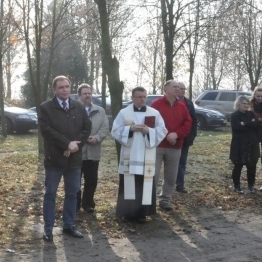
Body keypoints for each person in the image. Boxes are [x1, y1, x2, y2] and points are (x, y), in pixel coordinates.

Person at [37, 76, 91, 241]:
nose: (65, 90)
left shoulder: (78, 106)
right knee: (50, 194)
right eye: (61, 87)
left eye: (67, 86)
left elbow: (86, 128)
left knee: (72, 193)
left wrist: (74, 146)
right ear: (54, 89)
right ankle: (48, 229)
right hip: (54, 159)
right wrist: (66, 144)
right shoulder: (46, 108)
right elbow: (47, 131)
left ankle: (69, 225)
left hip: (74, 160)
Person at [112, 87, 167, 222]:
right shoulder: (124, 113)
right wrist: (130, 129)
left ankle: (142, 213)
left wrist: (149, 131)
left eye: (144, 96)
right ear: (132, 98)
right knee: (129, 183)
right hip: (129, 155)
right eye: (139, 97)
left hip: (146, 155)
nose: (142, 99)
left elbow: (162, 130)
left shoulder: (154, 113)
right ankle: (127, 213)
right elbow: (115, 130)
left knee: (144, 184)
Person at [150, 80, 193, 210]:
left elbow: (188, 123)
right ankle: (150, 200)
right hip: (158, 145)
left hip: (175, 146)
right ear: (166, 88)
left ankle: (165, 199)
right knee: (153, 174)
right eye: (174, 87)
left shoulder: (182, 106)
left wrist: (177, 134)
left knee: (171, 175)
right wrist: (167, 135)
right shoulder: (156, 105)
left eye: (179, 87)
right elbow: (151, 123)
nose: (177, 89)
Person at [76, 83, 110, 212]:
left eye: (89, 93)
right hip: (77, 152)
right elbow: (69, 128)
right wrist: (82, 139)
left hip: (93, 151)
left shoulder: (100, 111)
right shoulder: (73, 110)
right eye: (84, 93)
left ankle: (88, 203)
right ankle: (75, 204)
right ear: (79, 95)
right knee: (75, 181)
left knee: (91, 180)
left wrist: (96, 138)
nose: (87, 96)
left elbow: (105, 128)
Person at [229, 95, 261, 194]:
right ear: (239, 104)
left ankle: (251, 185)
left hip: (252, 144)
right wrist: (250, 124)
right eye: (243, 103)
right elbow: (237, 128)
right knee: (238, 166)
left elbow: (257, 124)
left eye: (247, 104)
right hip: (239, 144)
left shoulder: (252, 114)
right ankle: (237, 186)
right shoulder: (234, 115)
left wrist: (245, 123)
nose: (246, 105)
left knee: (252, 166)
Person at [174, 81, 197, 193]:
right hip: (172, 138)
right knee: (171, 162)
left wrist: (192, 135)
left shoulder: (188, 103)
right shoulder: (172, 102)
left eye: (184, 89)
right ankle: (169, 183)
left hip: (185, 138)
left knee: (182, 163)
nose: (182, 91)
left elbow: (193, 120)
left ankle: (180, 184)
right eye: (180, 88)